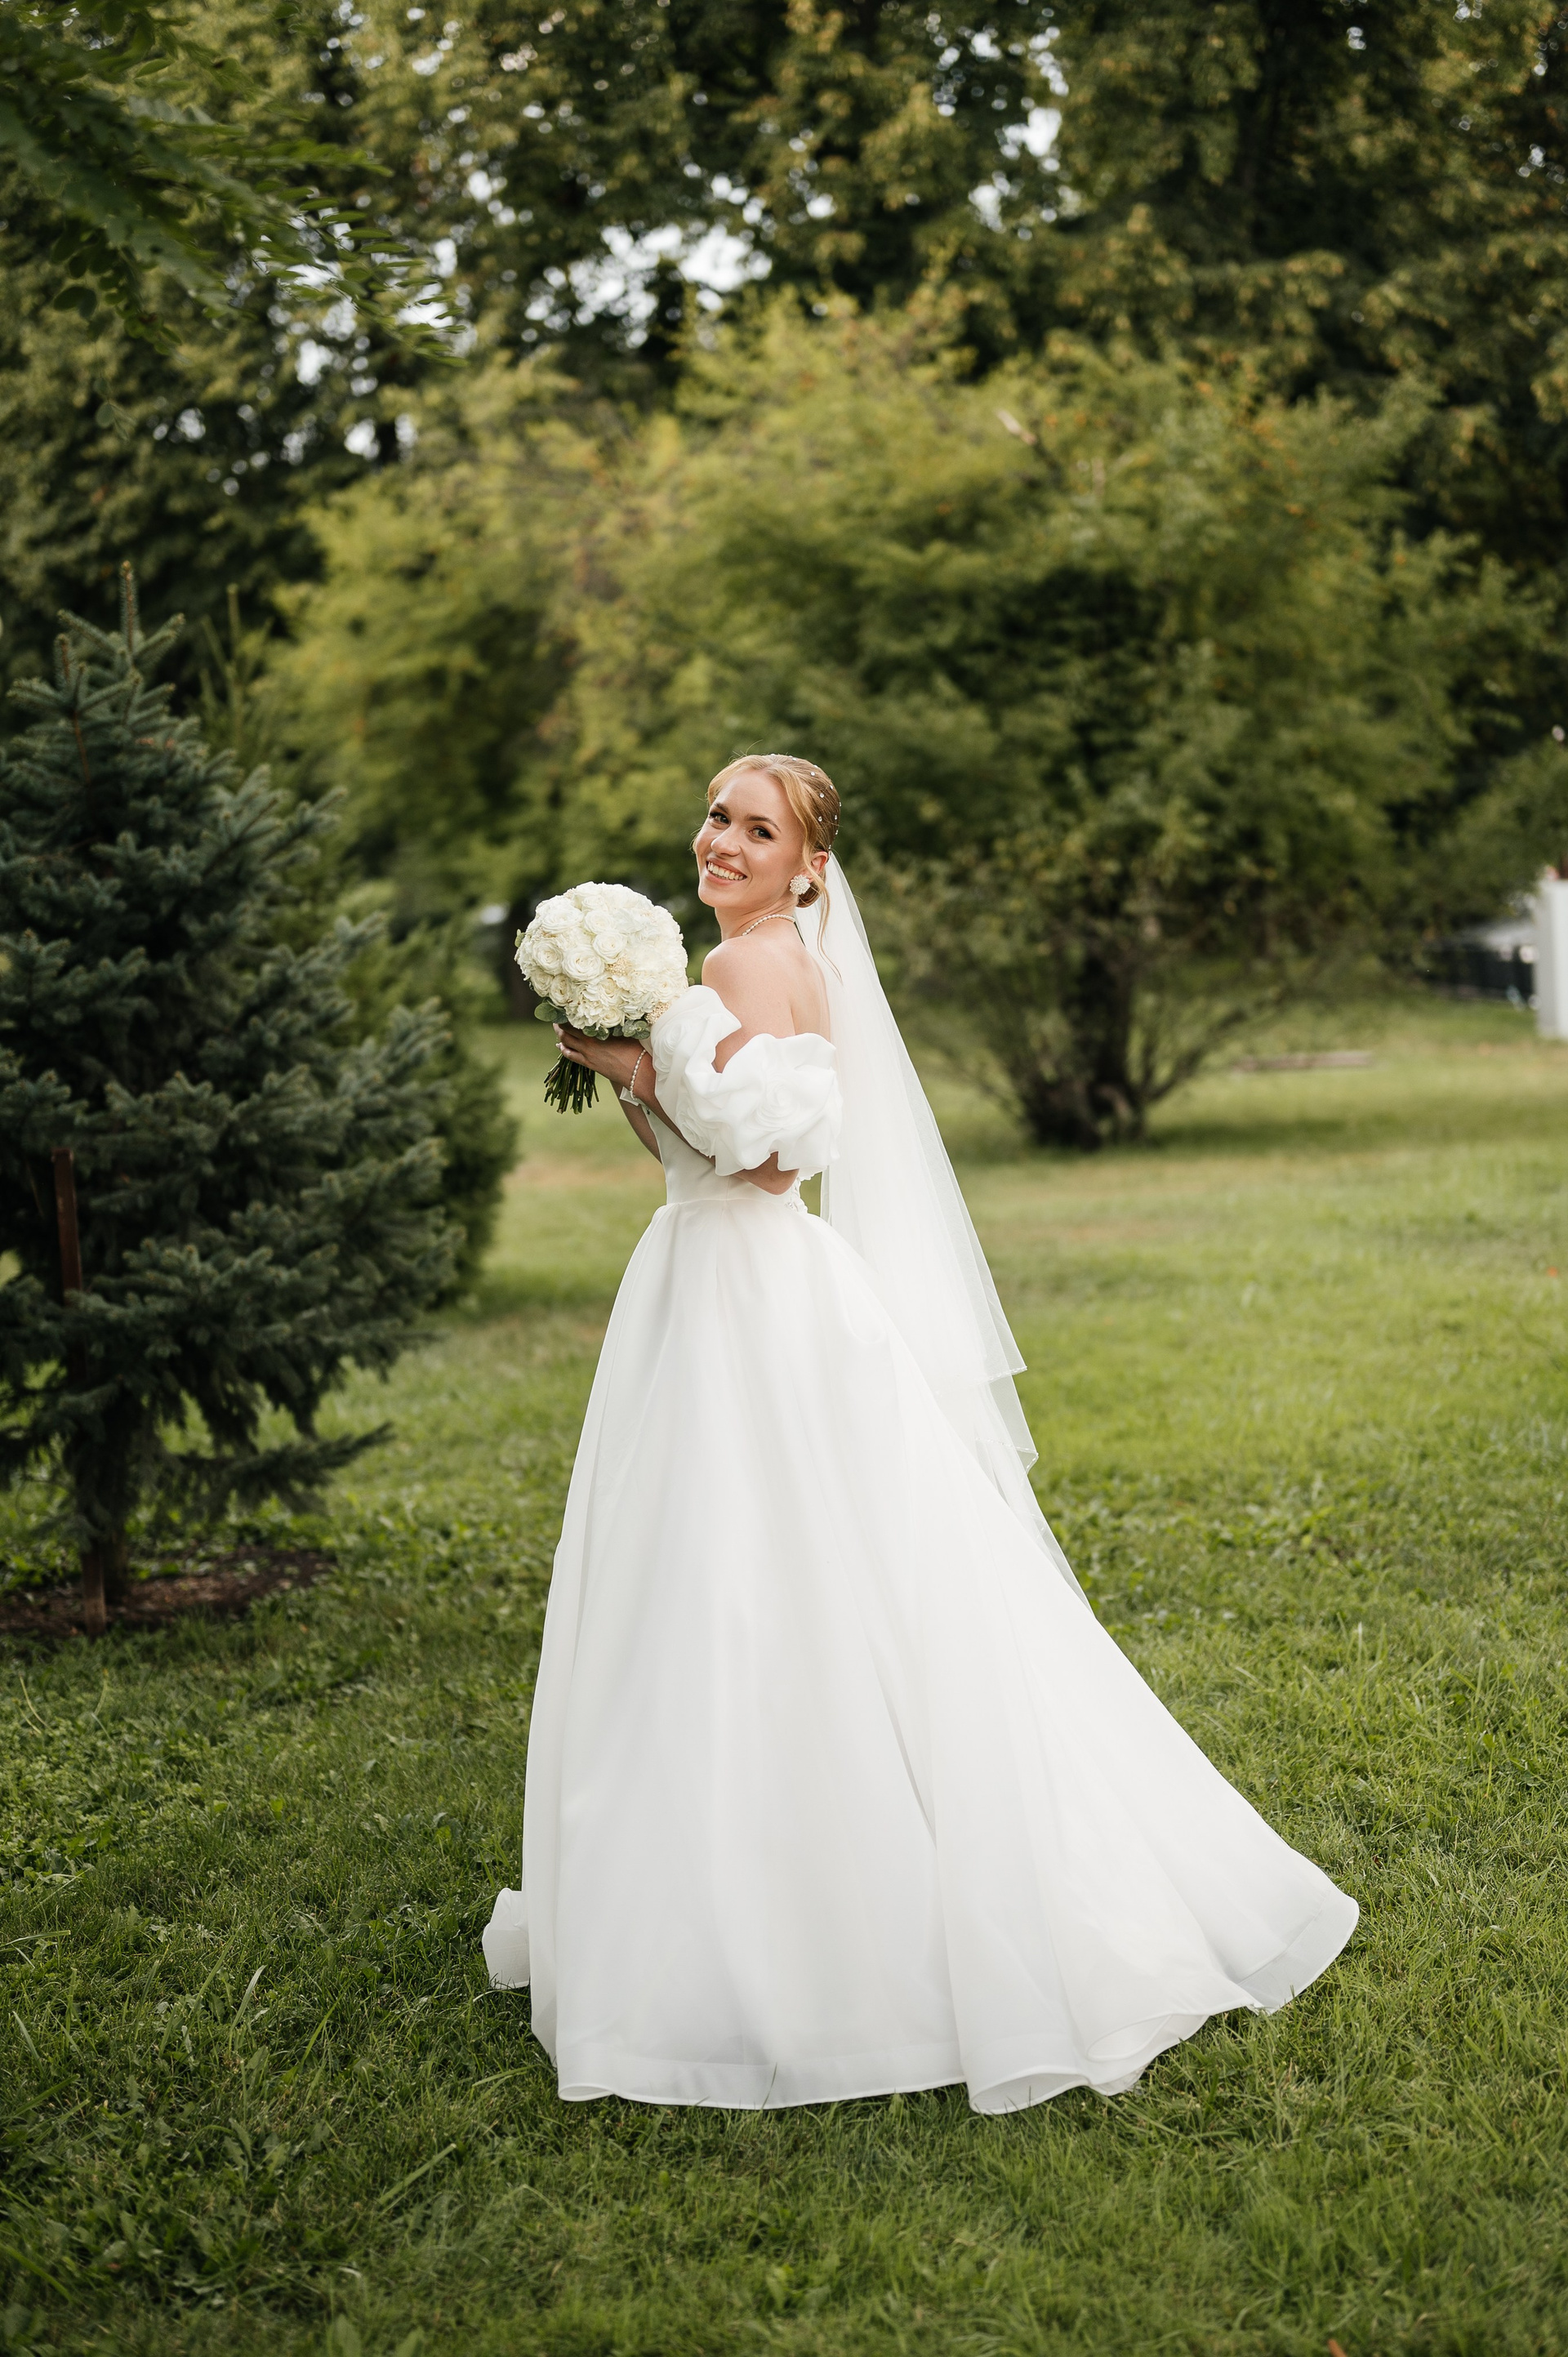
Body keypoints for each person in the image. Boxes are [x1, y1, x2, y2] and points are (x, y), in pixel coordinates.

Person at [483, 754, 1356, 2114]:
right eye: (716, 816)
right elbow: (707, 1149)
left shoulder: (749, 966)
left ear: (808, 866)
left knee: (729, 1580)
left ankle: (770, 1923)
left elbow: (770, 1156)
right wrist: (633, 1062)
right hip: (724, 1277)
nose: (722, 841)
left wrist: (638, 1055)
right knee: (761, 1576)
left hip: (743, 1296)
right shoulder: (758, 965)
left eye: (757, 828)